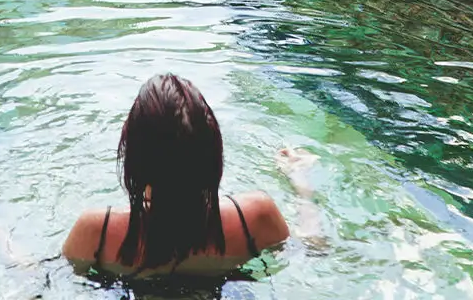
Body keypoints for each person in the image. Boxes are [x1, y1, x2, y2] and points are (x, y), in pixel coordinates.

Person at [61, 73, 319, 278]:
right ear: (213, 156)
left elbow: (44, 285)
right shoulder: (253, 218)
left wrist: (19, 256)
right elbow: (314, 247)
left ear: (135, 161)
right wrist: (301, 183)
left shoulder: (98, 233)